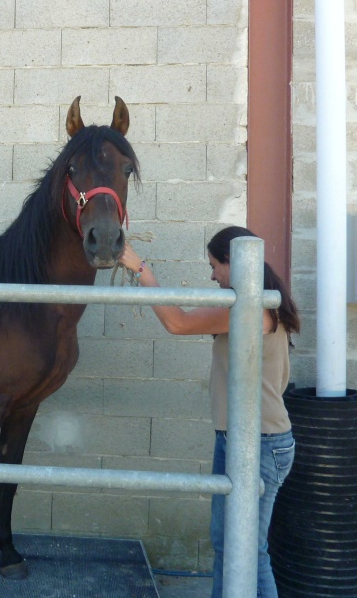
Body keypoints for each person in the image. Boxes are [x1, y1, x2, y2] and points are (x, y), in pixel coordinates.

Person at [118, 225, 300, 598]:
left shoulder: (248, 310)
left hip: (258, 443)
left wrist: (141, 270)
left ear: (233, 263)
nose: (212, 274)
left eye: (215, 265)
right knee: (228, 544)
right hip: (247, 438)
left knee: (248, 550)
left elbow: (177, 322)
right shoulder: (262, 305)